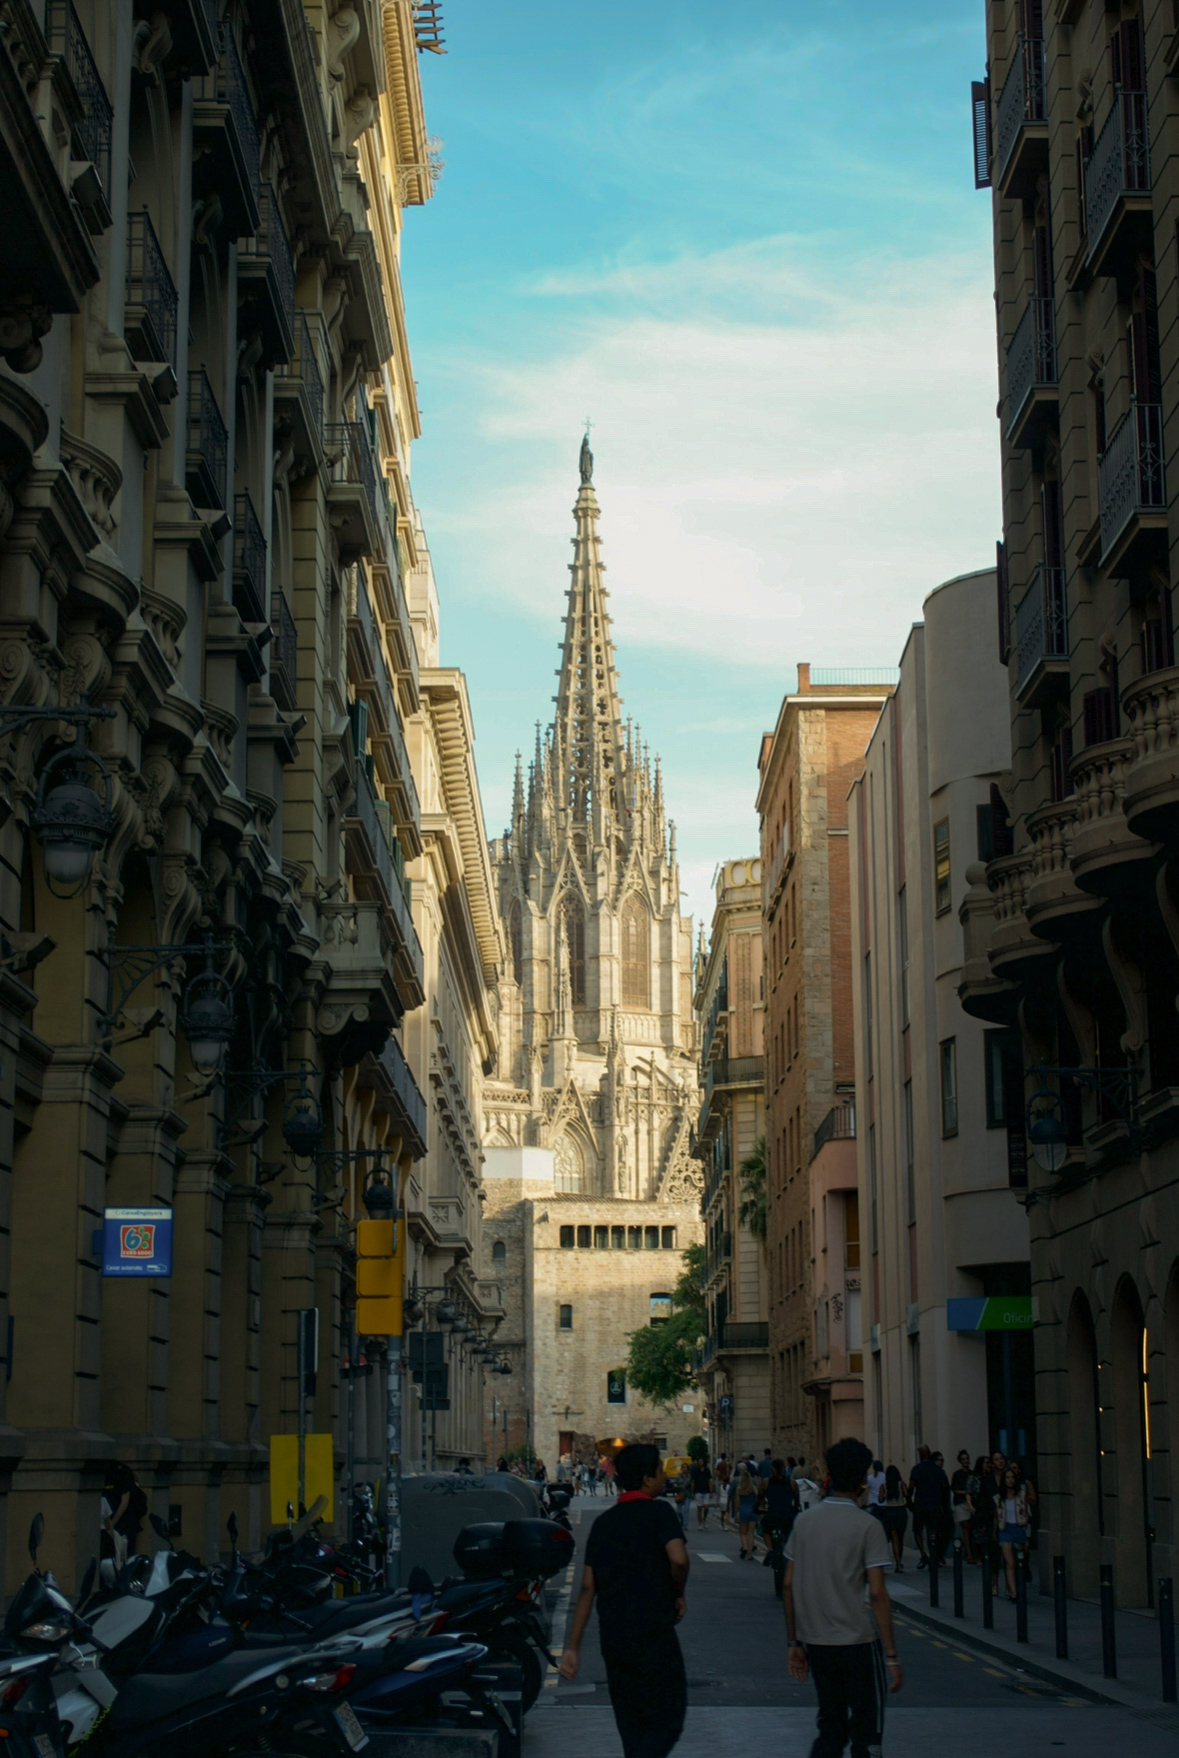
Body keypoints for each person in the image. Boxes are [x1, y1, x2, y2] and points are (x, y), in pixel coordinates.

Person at [559, 1444, 689, 1758]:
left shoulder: (604, 1524)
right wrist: (677, 1592)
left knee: (631, 1723)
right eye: (659, 1471)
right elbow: (679, 1559)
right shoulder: (660, 1512)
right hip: (653, 1632)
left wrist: (573, 1647)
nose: (662, 1476)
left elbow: (588, 1588)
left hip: (614, 1637)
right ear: (646, 1479)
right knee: (668, 1717)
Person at [784, 1437, 903, 1758]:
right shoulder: (868, 1525)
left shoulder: (804, 1522)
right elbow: (877, 1593)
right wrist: (891, 1654)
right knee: (868, 1730)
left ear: (830, 1475)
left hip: (817, 1642)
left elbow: (788, 1585)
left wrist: (794, 1643)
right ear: (863, 1480)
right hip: (859, 1642)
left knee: (830, 1726)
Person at [907, 1445, 948, 1569]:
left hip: (920, 1504)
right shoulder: (937, 1470)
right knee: (933, 1531)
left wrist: (909, 1500)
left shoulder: (917, 1469)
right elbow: (944, 1487)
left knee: (918, 1530)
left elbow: (911, 1487)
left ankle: (923, 1554)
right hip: (934, 1504)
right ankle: (933, 1554)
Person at [761, 1459, 797, 1598]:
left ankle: (770, 1549)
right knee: (791, 1533)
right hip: (788, 1516)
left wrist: (759, 1508)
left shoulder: (766, 1482)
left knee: (765, 1529)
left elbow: (760, 1498)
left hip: (772, 1515)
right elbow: (797, 1501)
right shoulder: (792, 1482)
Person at [997, 1465, 1030, 1600]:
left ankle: (1015, 1587)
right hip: (1005, 1530)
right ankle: (1014, 1593)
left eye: (1012, 1477)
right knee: (1010, 1563)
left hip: (1018, 1528)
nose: (1010, 1480)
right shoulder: (1000, 1497)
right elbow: (997, 1515)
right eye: (1007, 1478)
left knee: (1019, 1562)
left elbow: (1026, 1511)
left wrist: (1026, 1520)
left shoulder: (1021, 1494)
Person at [103, 1461, 146, 1556]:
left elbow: (125, 1501)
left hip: (124, 1524)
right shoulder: (105, 1470)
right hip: (110, 1524)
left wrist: (111, 1524)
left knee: (124, 1555)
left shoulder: (121, 1472)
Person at [878, 1465, 908, 1571]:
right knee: (901, 1538)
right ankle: (900, 1560)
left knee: (894, 1537)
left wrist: (886, 1495)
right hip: (901, 1510)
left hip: (890, 1511)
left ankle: (898, 1563)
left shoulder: (885, 1486)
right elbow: (906, 1494)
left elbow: (880, 1499)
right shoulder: (901, 1484)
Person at [950, 1449, 976, 1564]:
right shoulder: (957, 1474)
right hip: (960, 1503)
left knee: (970, 1529)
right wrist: (966, 1492)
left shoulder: (972, 1474)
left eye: (967, 1459)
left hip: (970, 1503)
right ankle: (969, 1554)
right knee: (966, 1528)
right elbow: (955, 1489)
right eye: (963, 1459)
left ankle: (970, 1551)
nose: (966, 1461)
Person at [735, 1462, 759, 1559]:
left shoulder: (739, 1489)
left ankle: (744, 1547)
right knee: (751, 1533)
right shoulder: (753, 1488)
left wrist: (736, 1513)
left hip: (744, 1510)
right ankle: (750, 1554)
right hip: (753, 1510)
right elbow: (758, 1499)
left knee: (742, 1532)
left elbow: (737, 1502)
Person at [690, 1455, 713, 1529]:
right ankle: (700, 1524)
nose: (701, 1462)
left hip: (706, 1490)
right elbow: (693, 1481)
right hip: (698, 1491)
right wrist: (692, 1492)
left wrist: (711, 1491)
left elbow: (710, 1481)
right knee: (699, 1508)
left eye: (702, 1461)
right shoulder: (695, 1470)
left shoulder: (707, 1470)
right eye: (699, 1461)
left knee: (706, 1507)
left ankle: (704, 1519)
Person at [714, 1454, 732, 1527]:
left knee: (721, 1492)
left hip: (721, 1480)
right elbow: (731, 1469)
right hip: (727, 1480)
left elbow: (717, 1472)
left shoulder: (719, 1464)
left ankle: (722, 1524)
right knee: (727, 1509)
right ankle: (726, 1523)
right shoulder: (728, 1464)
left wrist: (718, 1477)